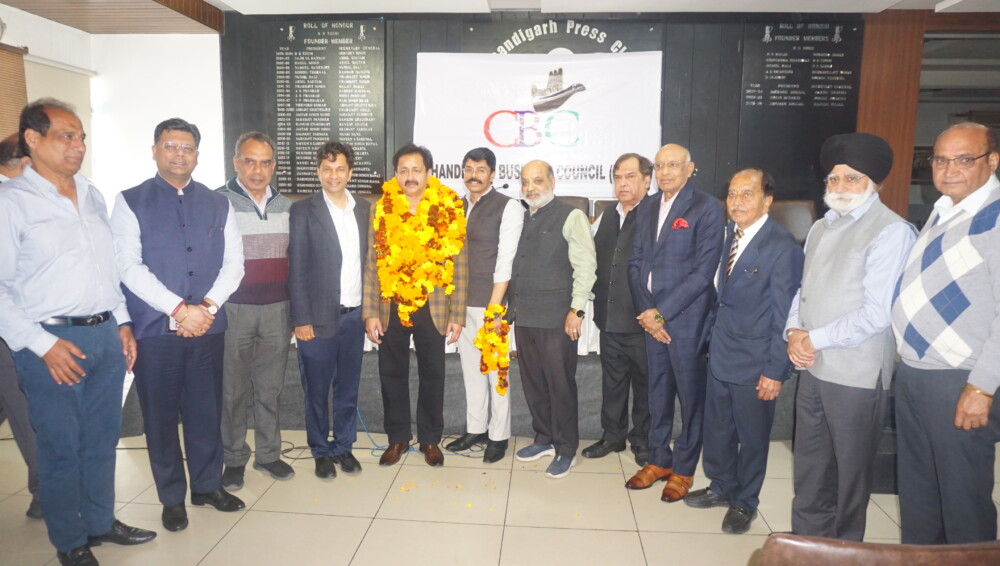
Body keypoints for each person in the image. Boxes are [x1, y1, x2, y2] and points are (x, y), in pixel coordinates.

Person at [0, 99, 155, 566]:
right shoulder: (11, 203)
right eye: (66, 136)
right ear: (33, 139)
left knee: (101, 439)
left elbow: (105, 270)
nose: (78, 145)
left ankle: (101, 522)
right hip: (51, 343)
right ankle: (69, 539)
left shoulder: (90, 193)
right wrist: (42, 345)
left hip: (104, 334)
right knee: (60, 448)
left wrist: (122, 323)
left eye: (81, 136)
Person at [111, 118, 246, 533]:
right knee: (161, 418)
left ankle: (207, 486)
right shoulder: (130, 201)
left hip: (208, 327)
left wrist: (205, 307)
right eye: (170, 146)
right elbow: (127, 266)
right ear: (154, 150)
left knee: (207, 412)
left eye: (187, 148)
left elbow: (234, 264)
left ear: (197, 155)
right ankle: (172, 498)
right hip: (155, 332)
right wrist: (178, 310)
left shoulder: (219, 203)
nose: (179, 154)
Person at [785, 132, 916, 541]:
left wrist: (812, 339)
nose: (841, 186)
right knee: (810, 472)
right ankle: (807, 549)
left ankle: (843, 553)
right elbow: (803, 290)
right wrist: (793, 330)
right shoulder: (821, 227)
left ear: (874, 183)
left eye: (852, 178)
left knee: (847, 482)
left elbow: (876, 314)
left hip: (855, 377)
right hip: (813, 368)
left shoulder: (892, 231)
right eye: (834, 178)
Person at [891, 122, 1000, 544]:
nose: (949, 169)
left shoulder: (994, 217)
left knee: (962, 503)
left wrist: (982, 387)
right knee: (920, 495)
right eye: (940, 159)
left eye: (964, 159)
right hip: (917, 373)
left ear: (992, 161)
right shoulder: (944, 210)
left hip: (961, 381)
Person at [683, 168, 802, 534]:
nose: (736, 202)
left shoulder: (782, 247)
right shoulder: (729, 237)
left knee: (751, 439)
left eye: (747, 194)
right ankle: (721, 486)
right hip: (721, 353)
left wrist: (775, 370)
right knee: (718, 429)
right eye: (732, 194)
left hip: (756, 362)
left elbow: (785, 315)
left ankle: (745, 501)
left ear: (767, 200)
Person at [625, 143, 724, 502]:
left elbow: (703, 273)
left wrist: (661, 313)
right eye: (660, 166)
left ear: (689, 168)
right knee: (657, 393)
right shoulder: (648, 206)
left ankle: (683, 468)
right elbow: (635, 263)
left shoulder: (707, 207)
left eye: (673, 165)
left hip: (687, 319)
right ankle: (659, 460)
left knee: (690, 397)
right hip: (652, 318)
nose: (665, 172)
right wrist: (647, 312)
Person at [364, 143, 467, 467]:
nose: (410, 176)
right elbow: (371, 263)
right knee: (391, 373)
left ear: (429, 173)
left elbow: (460, 264)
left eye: (416, 170)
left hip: (433, 306)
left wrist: (457, 314)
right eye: (403, 170)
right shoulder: (380, 209)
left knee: (433, 374)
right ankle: (397, 438)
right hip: (391, 305)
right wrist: (370, 312)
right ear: (395, 174)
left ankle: (430, 439)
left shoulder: (448, 206)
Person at [509, 160, 597, 479]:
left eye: (537, 181)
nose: (530, 187)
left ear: (552, 182)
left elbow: (585, 266)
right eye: (525, 182)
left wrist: (576, 310)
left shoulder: (571, 216)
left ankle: (566, 448)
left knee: (560, 384)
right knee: (533, 383)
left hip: (558, 318)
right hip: (525, 315)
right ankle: (544, 438)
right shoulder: (520, 216)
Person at [216, 131, 294, 489]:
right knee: (232, 390)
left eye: (265, 163)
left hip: (277, 310)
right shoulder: (218, 202)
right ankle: (233, 458)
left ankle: (268, 455)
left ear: (273, 166)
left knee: (270, 388)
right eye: (249, 161)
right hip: (234, 310)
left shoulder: (286, 206)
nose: (257, 170)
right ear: (236, 163)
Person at [289, 141, 370, 479]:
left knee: (348, 387)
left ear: (350, 172)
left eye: (339, 169)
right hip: (317, 318)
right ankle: (321, 450)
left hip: (354, 316)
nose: (333, 175)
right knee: (317, 389)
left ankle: (344, 446)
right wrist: (301, 319)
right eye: (326, 168)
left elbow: (370, 264)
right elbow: (296, 268)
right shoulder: (303, 210)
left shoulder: (364, 209)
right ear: (318, 172)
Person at [446, 147, 523, 463]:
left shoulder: (509, 207)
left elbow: (506, 260)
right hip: (461, 305)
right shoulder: (455, 205)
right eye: (468, 169)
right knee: (471, 371)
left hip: (493, 305)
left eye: (480, 169)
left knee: (496, 373)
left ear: (493, 174)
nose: (473, 175)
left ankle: (499, 435)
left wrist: (494, 308)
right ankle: (475, 428)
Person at [584, 153, 652, 467]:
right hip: (609, 317)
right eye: (618, 177)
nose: (622, 183)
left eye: (630, 176)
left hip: (643, 321)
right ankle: (612, 436)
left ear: (647, 180)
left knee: (645, 385)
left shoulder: (656, 215)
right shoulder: (608, 214)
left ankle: (643, 441)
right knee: (612, 384)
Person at [0, 131, 41, 520]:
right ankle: (47, 495)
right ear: (27, 163)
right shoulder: (9, 201)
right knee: (30, 413)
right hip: (12, 333)